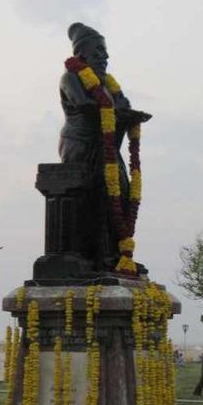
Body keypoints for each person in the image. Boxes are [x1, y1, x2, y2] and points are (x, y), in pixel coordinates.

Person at [59, 22, 151, 272]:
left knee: (121, 192)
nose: (104, 56)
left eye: (105, 51)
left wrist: (131, 115)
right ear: (82, 54)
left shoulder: (109, 85)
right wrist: (124, 115)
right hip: (81, 146)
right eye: (98, 51)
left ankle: (118, 254)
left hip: (108, 148)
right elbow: (86, 107)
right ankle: (98, 257)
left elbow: (120, 107)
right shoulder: (71, 77)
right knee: (99, 192)